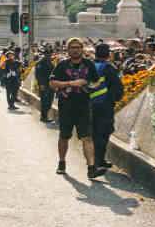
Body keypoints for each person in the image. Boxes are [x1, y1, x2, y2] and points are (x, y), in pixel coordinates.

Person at [49, 37, 103, 179]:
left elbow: (96, 82)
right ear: (68, 50)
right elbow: (52, 83)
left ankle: (91, 168)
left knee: (87, 137)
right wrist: (72, 83)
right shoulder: (62, 65)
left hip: (84, 105)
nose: (75, 50)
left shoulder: (89, 64)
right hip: (66, 105)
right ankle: (61, 162)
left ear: (82, 49)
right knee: (64, 136)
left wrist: (88, 85)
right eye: (72, 47)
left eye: (78, 47)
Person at [89, 43, 123, 172]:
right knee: (103, 133)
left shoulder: (89, 66)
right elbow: (117, 88)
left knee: (94, 133)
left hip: (89, 106)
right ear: (108, 54)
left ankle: (97, 160)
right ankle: (99, 161)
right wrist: (115, 100)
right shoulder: (109, 68)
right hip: (104, 107)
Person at [34, 48, 55, 123]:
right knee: (44, 101)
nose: (49, 55)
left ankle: (45, 115)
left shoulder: (50, 62)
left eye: (50, 54)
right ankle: (44, 117)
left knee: (49, 101)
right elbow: (38, 75)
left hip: (50, 85)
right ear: (44, 54)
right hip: (44, 85)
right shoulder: (40, 63)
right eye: (47, 54)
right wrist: (41, 84)